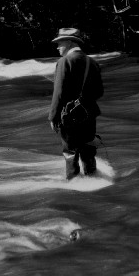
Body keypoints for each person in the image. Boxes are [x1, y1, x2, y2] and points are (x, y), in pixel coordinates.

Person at [48, 28, 104, 180]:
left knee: (70, 152)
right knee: (88, 149)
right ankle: (94, 181)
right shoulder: (92, 62)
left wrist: (53, 117)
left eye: (60, 43)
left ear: (69, 42)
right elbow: (99, 92)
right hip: (89, 115)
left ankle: (74, 187)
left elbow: (58, 93)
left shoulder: (64, 62)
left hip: (68, 117)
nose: (57, 46)